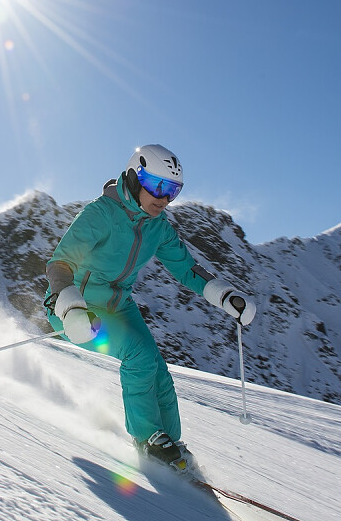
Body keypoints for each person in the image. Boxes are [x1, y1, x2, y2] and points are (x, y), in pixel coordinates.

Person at [43, 144, 255, 473]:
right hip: (77, 309)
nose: (163, 198)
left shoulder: (158, 226)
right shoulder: (101, 213)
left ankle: (169, 441)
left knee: (157, 368)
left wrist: (223, 294)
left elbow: (186, 268)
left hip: (119, 305)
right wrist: (70, 308)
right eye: (157, 186)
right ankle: (147, 440)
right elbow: (60, 264)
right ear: (134, 177)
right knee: (139, 356)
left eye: (173, 190)